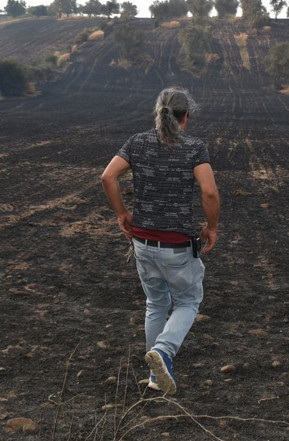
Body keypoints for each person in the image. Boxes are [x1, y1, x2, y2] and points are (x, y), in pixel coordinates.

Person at [101, 87, 220, 395]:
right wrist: (212, 227)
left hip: (141, 243)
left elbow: (107, 177)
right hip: (178, 245)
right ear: (186, 117)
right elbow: (208, 191)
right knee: (188, 301)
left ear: (158, 114)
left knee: (155, 303)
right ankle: (164, 352)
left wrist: (121, 213)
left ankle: (156, 377)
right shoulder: (193, 147)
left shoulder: (137, 143)